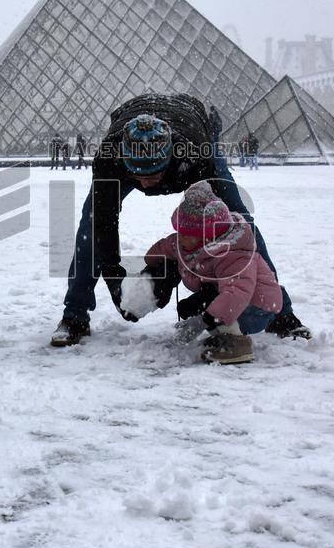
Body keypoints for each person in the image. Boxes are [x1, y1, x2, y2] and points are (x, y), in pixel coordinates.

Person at [49, 92, 309, 347]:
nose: (145, 183)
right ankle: (74, 314)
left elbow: (232, 231)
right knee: (90, 227)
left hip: (191, 127)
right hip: (141, 127)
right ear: (124, 159)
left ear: (170, 157)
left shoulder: (196, 156)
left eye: (152, 173)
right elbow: (101, 226)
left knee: (241, 223)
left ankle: (281, 312)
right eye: (137, 173)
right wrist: (115, 279)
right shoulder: (109, 159)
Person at [138, 182, 283, 364]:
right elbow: (162, 249)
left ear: (207, 235)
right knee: (192, 305)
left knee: (210, 303)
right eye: (179, 231)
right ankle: (222, 332)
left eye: (186, 234)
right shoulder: (187, 243)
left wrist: (202, 321)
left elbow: (235, 294)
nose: (180, 238)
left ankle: (236, 345)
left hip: (256, 308)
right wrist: (152, 266)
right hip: (229, 299)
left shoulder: (232, 253)